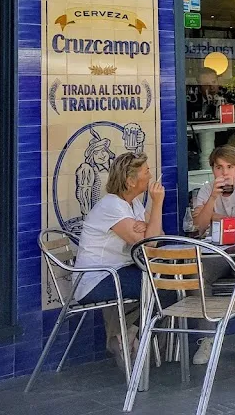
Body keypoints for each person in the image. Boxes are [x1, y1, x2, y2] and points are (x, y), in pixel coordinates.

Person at [73, 152, 165, 368]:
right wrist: (157, 204)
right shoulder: (112, 206)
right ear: (130, 181)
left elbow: (157, 235)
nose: (151, 176)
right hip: (96, 281)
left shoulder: (133, 204)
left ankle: (127, 334)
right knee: (164, 286)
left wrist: (147, 226)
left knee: (169, 284)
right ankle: (126, 336)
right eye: (146, 172)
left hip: (117, 273)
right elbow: (150, 245)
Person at [190, 145, 235, 365]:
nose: (225, 172)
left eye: (230, 167)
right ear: (212, 169)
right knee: (197, 275)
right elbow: (199, 227)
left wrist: (213, 216)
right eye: (219, 167)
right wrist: (212, 198)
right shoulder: (206, 190)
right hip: (217, 251)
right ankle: (207, 339)